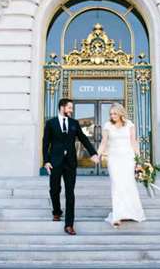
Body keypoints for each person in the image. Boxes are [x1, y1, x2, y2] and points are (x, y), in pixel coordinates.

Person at [42, 98, 99, 235]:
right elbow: (45, 143)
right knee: (54, 189)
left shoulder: (74, 123)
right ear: (62, 107)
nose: (71, 110)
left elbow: (83, 139)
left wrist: (93, 153)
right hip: (55, 162)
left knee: (70, 193)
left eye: (71, 108)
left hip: (70, 163)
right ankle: (56, 211)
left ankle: (69, 224)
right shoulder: (51, 123)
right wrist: (46, 161)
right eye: (69, 108)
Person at [98, 102, 146, 228]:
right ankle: (117, 215)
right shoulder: (107, 125)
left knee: (128, 184)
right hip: (114, 159)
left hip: (128, 158)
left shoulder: (129, 124)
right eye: (111, 114)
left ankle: (131, 212)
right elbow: (103, 142)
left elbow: (133, 142)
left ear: (120, 113)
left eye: (115, 113)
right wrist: (97, 154)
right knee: (117, 184)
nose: (112, 115)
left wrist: (139, 159)